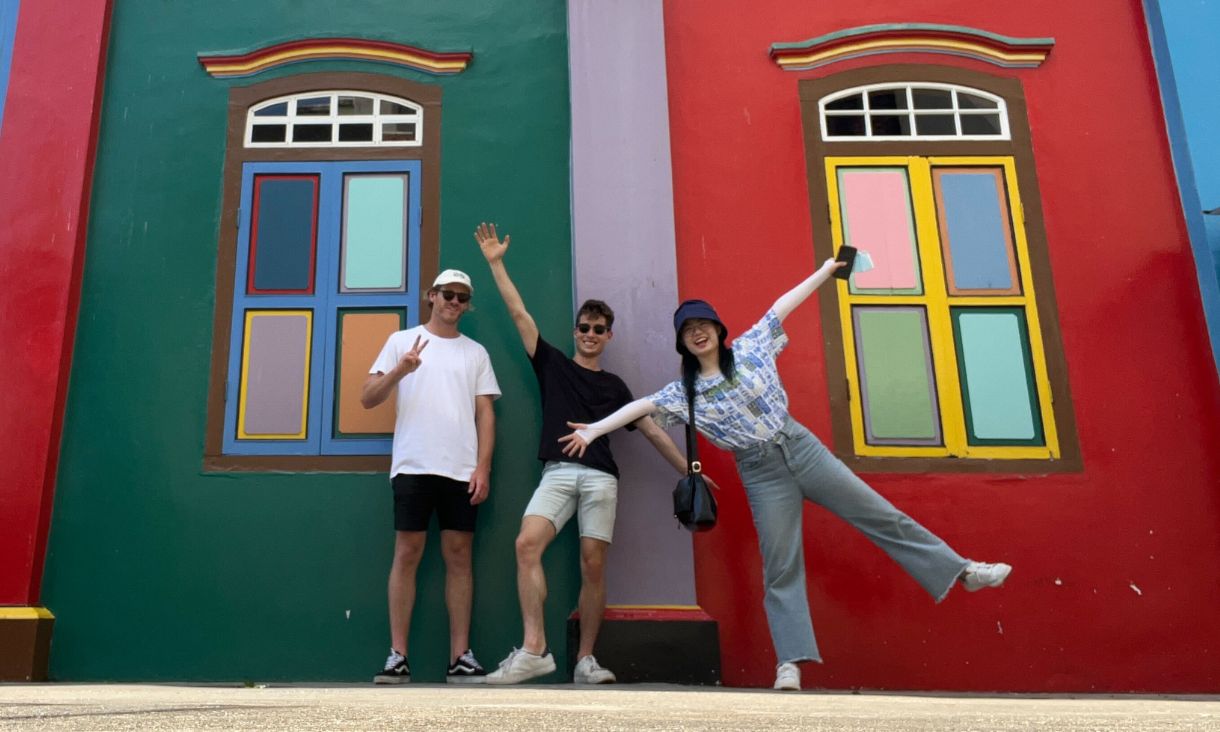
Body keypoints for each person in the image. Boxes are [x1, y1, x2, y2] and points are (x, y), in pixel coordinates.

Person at [559, 258, 1012, 691]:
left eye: (703, 325)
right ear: (683, 344)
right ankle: (789, 662)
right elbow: (643, 407)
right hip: (761, 474)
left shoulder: (754, 346)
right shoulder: (687, 392)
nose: (698, 334)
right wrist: (596, 429)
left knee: (881, 514)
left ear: (718, 330)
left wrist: (825, 271)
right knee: (781, 565)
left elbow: (782, 305)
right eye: (688, 331)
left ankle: (962, 571)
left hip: (802, 448)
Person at [473, 223, 711, 685]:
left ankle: (586, 660)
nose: (589, 334)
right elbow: (519, 314)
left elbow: (649, 431)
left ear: (609, 336)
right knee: (526, 545)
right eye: (584, 327)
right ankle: (535, 649)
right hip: (559, 473)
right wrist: (496, 264)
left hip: (601, 477)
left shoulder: (616, 387)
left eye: (599, 329)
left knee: (592, 562)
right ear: (575, 330)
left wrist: (691, 472)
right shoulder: (552, 364)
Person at [362, 269, 500, 685]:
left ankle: (460, 656)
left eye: (462, 298)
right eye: (448, 295)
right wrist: (401, 370)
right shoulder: (401, 342)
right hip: (413, 465)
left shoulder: (475, 353)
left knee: (459, 557)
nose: (455, 303)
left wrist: (483, 466)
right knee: (407, 553)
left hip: (461, 470)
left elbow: (486, 413)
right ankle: (397, 656)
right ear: (432, 296)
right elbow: (368, 398)